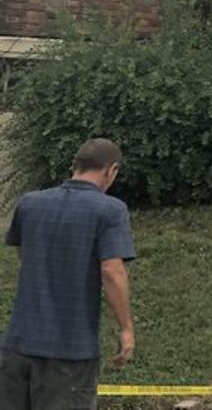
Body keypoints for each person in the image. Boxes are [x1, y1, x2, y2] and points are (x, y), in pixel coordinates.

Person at [1, 138, 137, 409]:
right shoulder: (110, 210)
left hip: (16, 347)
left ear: (74, 166)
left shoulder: (30, 204)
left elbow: (26, 255)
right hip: (70, 353)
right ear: (111, 170)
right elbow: (112, 271)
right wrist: (126, 329)